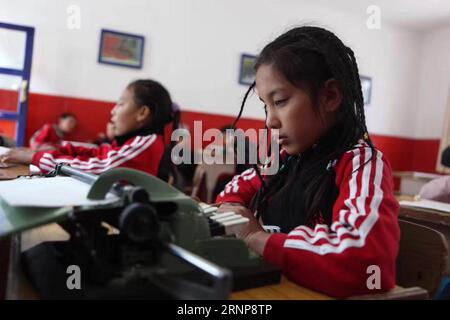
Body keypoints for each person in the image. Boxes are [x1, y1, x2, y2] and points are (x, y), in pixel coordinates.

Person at [215, 26, 400, 298]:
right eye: (266, 106)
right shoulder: (283, 160)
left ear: (330, 96)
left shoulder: (361, 163)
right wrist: (234, 209)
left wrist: (257, 239)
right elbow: (231, 192)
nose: (269, 121)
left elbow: (367, 260)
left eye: (280, 101)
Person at [0, 79, 173, 176]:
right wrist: (61, 148)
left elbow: (99, 168)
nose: (113, 111)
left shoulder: (147, 143)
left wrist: (37, 157)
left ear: (142, 112)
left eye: (120, 104)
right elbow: (99, 154)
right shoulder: (136, 141)